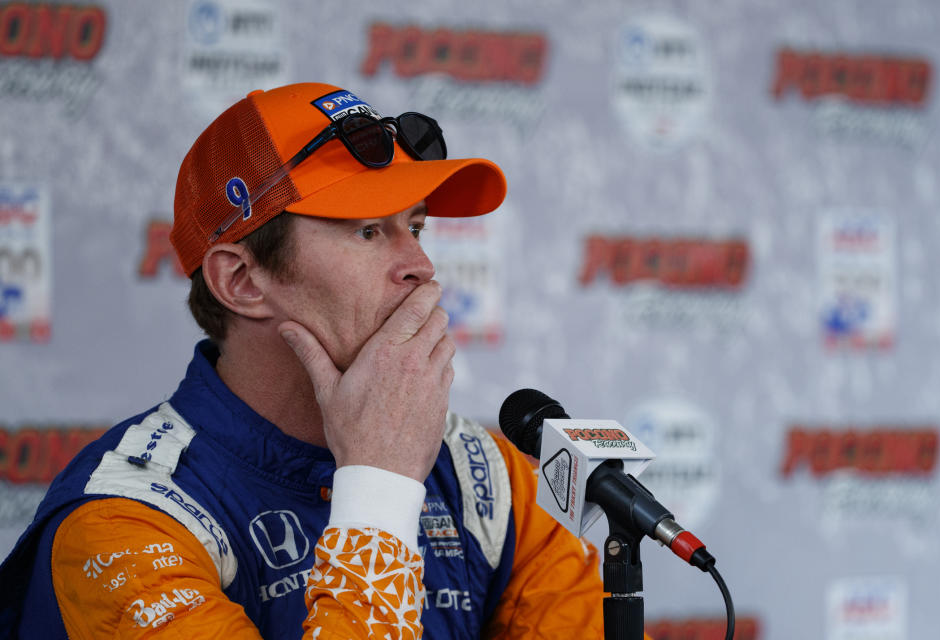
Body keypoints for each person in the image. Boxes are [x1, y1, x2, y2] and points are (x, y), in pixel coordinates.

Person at [0, 82, 606, 639]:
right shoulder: (120, 527)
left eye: (415, 228)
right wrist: (379, 488)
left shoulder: (487, 477)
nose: (421, 267)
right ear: (241, 281)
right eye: (368, 231)